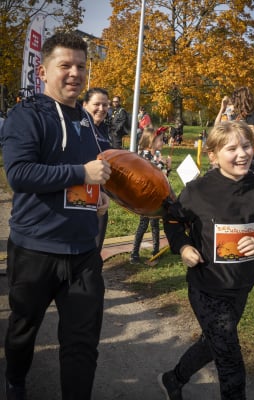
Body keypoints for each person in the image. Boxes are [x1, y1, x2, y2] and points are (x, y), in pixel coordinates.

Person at [0, 32, 112, 399]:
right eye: (65, 65)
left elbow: (102, 169)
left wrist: (108, 190)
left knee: (82, 343)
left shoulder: (89, 123)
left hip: (82, 252)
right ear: (44, 69)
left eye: (80, 66)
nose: (74, 73)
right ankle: (16, 382)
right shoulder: (27, 114)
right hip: (34, 248)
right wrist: (82, 174)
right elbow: (20, 175)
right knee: (23, 328)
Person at [159, 121, 254, 400]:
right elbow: (173, 220)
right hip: (206, 286)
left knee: (213, 344)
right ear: (214, 156)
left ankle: (173, 378)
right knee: (230, 360)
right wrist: (183, 247)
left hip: (241, 285)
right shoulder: (197, 190)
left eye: (247, 146)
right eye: (232, 148)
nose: (242, 154)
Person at [130, 126, 171, 266]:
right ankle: (134, 253)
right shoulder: (144, 155)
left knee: (154, 224)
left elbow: (163, 178)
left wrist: (168, 167)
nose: (162, 142)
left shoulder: (156, 154)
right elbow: (151, 172)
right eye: (160, 140)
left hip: (156, 196)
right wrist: (161, 163)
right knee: (143, 224)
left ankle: (155, 250)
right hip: (145, 197)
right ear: (151, 141)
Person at [83, 87, 112, 252]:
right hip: (80, 195)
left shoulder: (103, 129)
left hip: (100, 195)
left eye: (105, 105)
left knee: (95, 247)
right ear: (85, 104)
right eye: (97, 104)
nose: (101, 109)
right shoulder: (78, 127)